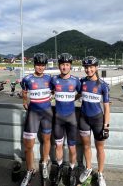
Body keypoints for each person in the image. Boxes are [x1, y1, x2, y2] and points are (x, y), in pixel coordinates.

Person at [20, 53, 53, 186]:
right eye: (38, 65)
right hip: (32, 114)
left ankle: (44, 163)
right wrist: (24, 101)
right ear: (34, 65)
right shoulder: (26, 79)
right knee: (28, 146)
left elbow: (55, 90)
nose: (40, 67)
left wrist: (51, 97)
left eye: (43, 65)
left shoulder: (50, 79)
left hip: (47, 114)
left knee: (46, 140)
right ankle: (30, 170)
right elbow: (24, 91)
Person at [50, 53, 81, 186]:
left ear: (70, 66)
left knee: (72, 147)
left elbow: (80, 92)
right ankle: (60, 167)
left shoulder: (75, 81)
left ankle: (72, 169)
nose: (64, 67)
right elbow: (50, 92)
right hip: (58, 119)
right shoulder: (54, 80)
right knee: (58, 146)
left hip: (71, 120)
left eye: (67, 64)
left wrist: (72, 99)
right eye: (62, 64)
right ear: (59, 66)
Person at [79, 56, 110, 186]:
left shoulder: (103, 85)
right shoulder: (82, 82)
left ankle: (100, 173)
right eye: (86, 67)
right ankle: (88, 168)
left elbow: (107, 107)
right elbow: (78, 94)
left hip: (97, 119)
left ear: (96, 67)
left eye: (91, 67)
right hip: (83, 118)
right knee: (86, 146)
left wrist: (106, 126)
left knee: (100, 148)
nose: (88, 69)